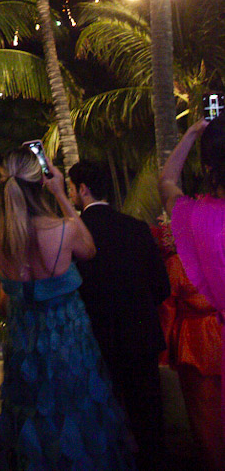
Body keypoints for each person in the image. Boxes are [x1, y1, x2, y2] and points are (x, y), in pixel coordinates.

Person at [0, 147, 136, 471]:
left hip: (24, 338)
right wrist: (62, 195)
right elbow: (90, 249)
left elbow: (4, 296)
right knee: (77, 414)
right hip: (65, 336)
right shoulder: (63, 229)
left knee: (33, 417)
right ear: (40, 181)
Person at [68, 160, 170, 471]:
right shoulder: (136, 229)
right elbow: (162, 288)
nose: (70, 194)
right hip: (140, 339)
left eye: (71, 188)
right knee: (149, 426)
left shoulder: (76, 236)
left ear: (83, 189)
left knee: (103, 427)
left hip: (97, 343)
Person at [159, 115, 225, 450]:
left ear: (207, 165)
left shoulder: (192, 214)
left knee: (211, 435)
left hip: (204, 345)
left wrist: (193, 132)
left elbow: (168, 179)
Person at [153, 219, 223, 471]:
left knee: (203, 412)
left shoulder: (177, 263)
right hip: (220, 333)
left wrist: (164, 351)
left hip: (195, 343)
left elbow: (167, 309)